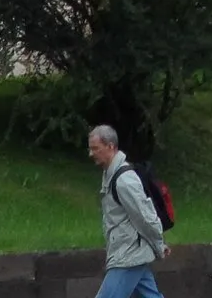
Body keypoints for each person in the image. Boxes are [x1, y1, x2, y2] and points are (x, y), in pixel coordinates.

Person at [87, 124, 170, 296]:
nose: (91, 153)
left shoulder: (124, 180)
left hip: (128, 255)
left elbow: (145, 217)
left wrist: (159, 245)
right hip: (129, 251)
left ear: (110, 146)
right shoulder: (111, 175)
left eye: (95, 148)